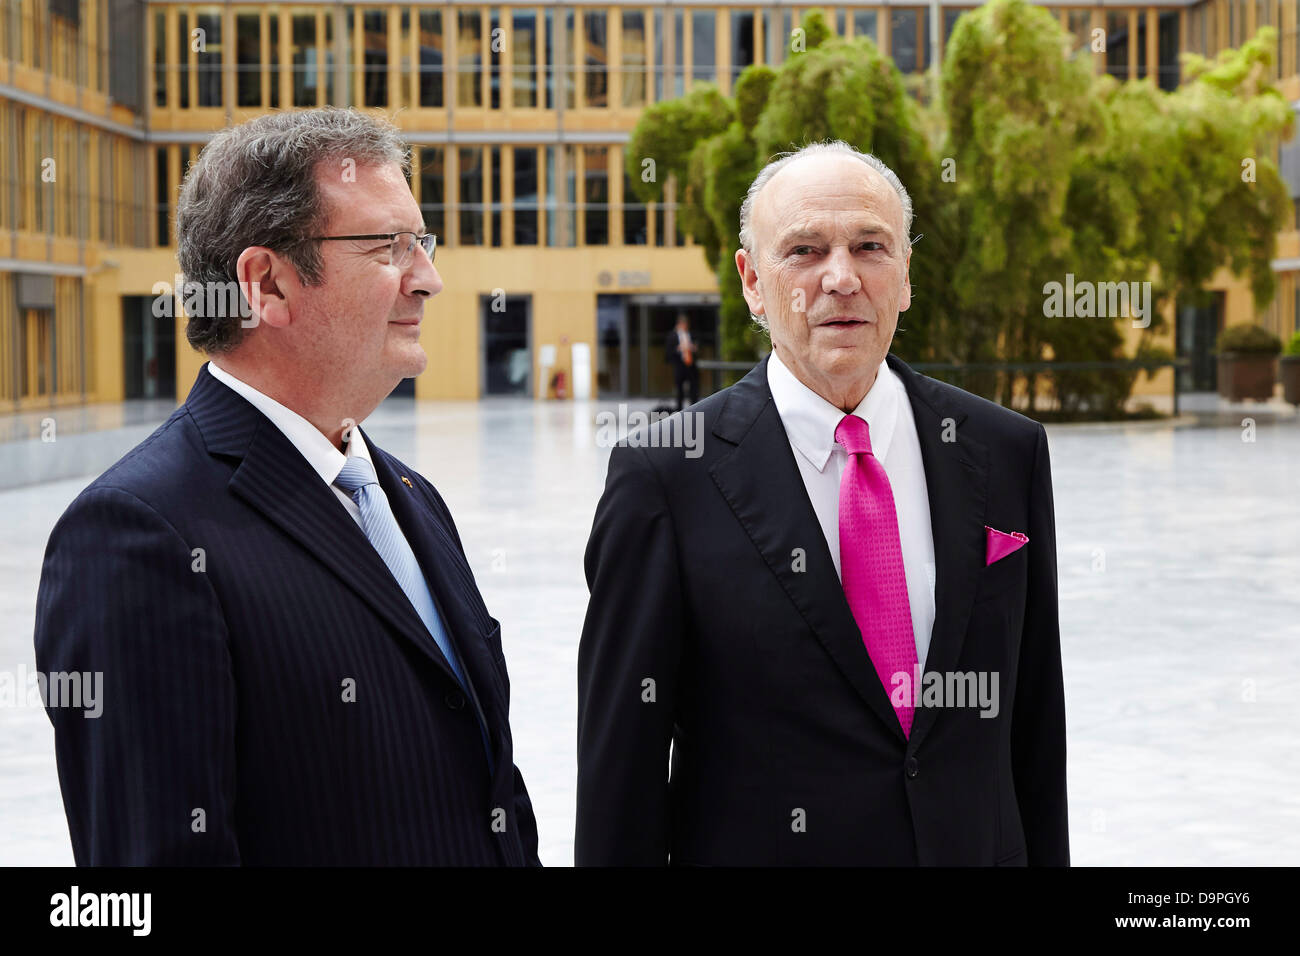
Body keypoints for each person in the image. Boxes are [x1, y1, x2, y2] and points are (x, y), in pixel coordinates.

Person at [34, 108, 541, 866]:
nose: (428, 279)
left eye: (422, 243)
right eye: (386, 247)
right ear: (265, 283)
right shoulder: (139, 535)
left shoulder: (409, 495)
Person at [576, 141, 1068, 866]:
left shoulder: (1005, 451)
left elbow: (1035, 728)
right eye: (804, 250)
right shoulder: (664, 478)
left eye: (870, 246)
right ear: (751, 280)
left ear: (905, 274)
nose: (841, 279)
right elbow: (623, 780)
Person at [664, 313, 700, 409]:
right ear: (679, 324)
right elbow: (668, 352)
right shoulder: (673, 336)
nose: (684, 326)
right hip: (679, 366)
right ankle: (679, 409)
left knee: (694, 388)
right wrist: (679, 349)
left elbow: (698, 347)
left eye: (686, 324)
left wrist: (693, 348)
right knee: (680, 390)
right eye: (682, 324)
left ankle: (694, 408)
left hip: (691, 365)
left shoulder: (691, 334)